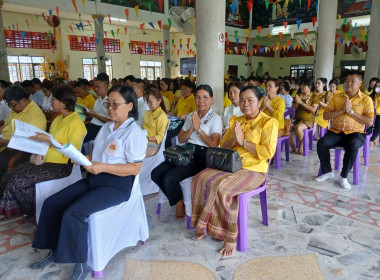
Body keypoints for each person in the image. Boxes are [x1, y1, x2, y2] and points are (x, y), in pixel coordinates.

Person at [30, 85, 147, 280]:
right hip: (95, 178)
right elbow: (97, 154)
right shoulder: (107, 128)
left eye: (115, 104)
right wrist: (82, 157)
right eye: (108, 104)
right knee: (51, 203)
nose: (110, 108)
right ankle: (53, 250)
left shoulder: (135, 133)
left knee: (74, 212)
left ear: (129, 105)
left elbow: (134, 169)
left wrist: (102, 167)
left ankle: (81, 265)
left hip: (117, 185)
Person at [191, 86, 278, 256]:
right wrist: (234, 140)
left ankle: (230, 236)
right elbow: (224, 145)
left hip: (254, 170)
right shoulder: (236, 120)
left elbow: (268, 152)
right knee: (200, 178)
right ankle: (203, 224)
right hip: (232, 165)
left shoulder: (269, 122)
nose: (245, 104)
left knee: (224, 188)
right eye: (243, 100)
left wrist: (244, 142)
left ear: (260, 102)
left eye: (250, 100)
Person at [0, 85, 86, 217]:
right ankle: (31, 208)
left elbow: (73, 152)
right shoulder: (58, 118)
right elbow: (47, 142)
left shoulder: (76, 123)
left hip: (62, 165)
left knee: (16, 181)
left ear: (64, 102)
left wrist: (50, 140)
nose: (51, 101)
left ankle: (31, 209)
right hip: (46, 160)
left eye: (54, 99)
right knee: (9, 176)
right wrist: (38, 152)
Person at [151, 85, 222, 219]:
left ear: (211, 99)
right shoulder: (191, 116)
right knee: (155, 173)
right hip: (186, 152)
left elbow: (214, 144)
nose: (201, 101)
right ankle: (179, 201)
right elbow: (180, 138)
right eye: (198, 97)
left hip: (202, 156)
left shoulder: (215, 118)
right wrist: (191, 129)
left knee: (169, 178)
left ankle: (179, 205)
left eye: (205, 98)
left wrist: (199, 130)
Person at [316, 71, 374, 189]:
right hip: (336, 131)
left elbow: (369, 122)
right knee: (322, 143)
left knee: (353, 145)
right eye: (347, 81)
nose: (349, 84)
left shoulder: (366, 99)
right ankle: (327, 171)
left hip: (355, 133)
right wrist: (342, 111)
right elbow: (326, 116)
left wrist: (350, 112)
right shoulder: (337, 97)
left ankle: (344, 176)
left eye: (353, 81)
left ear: (360, 84)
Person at [0, 86, 47, 179]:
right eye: (9, 105)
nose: (11, 108)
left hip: (19, 150)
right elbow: (5, 125)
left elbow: (26, 144)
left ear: (23, 100)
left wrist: (4, 142)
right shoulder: (17, 109)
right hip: (6, 143)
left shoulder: (35, 116)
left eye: (12, 105)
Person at [289, 78, 318, 155]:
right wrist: (296, 103)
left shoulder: (314, 96)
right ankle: (294, 147)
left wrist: (301, 103)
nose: (302, 87)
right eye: (301, 85)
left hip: (307, 120)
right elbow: (292, 109)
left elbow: (313, 110)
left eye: (304, 85)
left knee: (298, 128)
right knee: (286, 127)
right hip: (296, 119)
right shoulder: (298, 95)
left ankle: (304, 145)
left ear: (310, 87)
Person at [165, 80, 197, 148]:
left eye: (185, 89)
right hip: (177, 121)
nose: (183, 91)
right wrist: (166, 113)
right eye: (182, 89)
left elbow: (195, 115)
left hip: (185, 123)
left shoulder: (194, 100)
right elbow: (175, 113)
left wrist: (187, 116)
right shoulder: (180, 99)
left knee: (169, 134)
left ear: (191, 89)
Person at [82, 73, 111, 144]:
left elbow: (110, 122)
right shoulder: (98, 100)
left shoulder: (110, 100)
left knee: (81, 139)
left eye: (98, 87)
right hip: (93, 124)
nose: (95, 89)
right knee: (77, 132)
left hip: (102, 127)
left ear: (105, 86)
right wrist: (87, 114)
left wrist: (94, 114)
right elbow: (93, 116)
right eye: (95, 87)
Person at [143, 87, 169, 156]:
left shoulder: (162, 116)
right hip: (144, 141)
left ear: (159, 101)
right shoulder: (146, 113)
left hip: (154, 145)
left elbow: (160, 137)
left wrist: (147, 138)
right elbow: (143, 129)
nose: (148, 104)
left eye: (150, 102)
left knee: (135, 154)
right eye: (147, 102)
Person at [369, 80, 380, 146]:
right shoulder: (371, 96)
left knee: (378, 125)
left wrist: (375, 108)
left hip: (378, 115)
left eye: (379, 86)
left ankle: (372, 139)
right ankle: (368, 137)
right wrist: (374, 107)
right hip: (371, 114)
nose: (377, 88)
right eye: (376, 86)